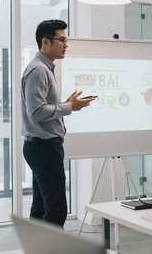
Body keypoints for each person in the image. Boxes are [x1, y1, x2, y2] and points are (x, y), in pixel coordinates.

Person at [21, 19, 94, 226]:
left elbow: (41, 107)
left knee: (42, 207)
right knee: (56, 210)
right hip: (44, 148)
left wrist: (67, 104)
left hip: (41, 147)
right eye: (61, 40)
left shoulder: (42, 68)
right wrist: (70, 106)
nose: (66, 44)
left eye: (66, 40)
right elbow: (36, 112)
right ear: (45, 42)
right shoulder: (39, 70)